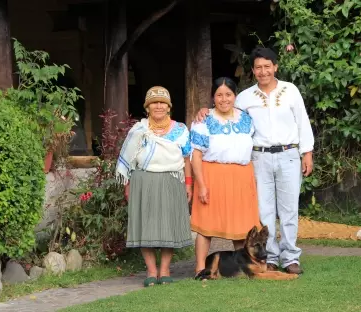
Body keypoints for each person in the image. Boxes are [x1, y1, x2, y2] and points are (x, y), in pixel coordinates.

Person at [194, 48, 314, 274]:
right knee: (264, 211)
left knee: (289, 210)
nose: (263, 71)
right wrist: (204, 111)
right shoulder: (245, 97)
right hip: (259, 157)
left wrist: (307, 152)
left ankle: (290, 258)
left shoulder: (290, 91)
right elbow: (225, 108)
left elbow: (303, 122)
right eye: (258, 67)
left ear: (275, 67)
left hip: (289, 154)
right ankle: (269, 257)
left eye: (267, 66)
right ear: (253, 70)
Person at [116, 86, 193, 287]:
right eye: (154, 103)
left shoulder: (181, 130)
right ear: (147, 108)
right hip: (143, 181)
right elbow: (130, 161)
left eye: (162, 103)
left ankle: (165, 270)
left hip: (172, 180)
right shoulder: (138, 130)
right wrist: (128, 185)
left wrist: (189, 183)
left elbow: (187, 158)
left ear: (169, 108)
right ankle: (151, 271)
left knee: (169, 226)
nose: (158, 106)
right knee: (146, 226)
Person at [190, 77, 261, 278]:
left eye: (228, 94)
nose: (224, 99)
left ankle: (239, 268)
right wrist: (201, 185)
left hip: (241, 176)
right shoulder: (204, 120)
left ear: (235, 96)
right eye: (219, 95)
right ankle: (200, 269)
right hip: (212, 175)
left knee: (241, 226)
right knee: (207, 226)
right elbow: (195, 155)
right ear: (213, 97)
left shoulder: (246, 119)